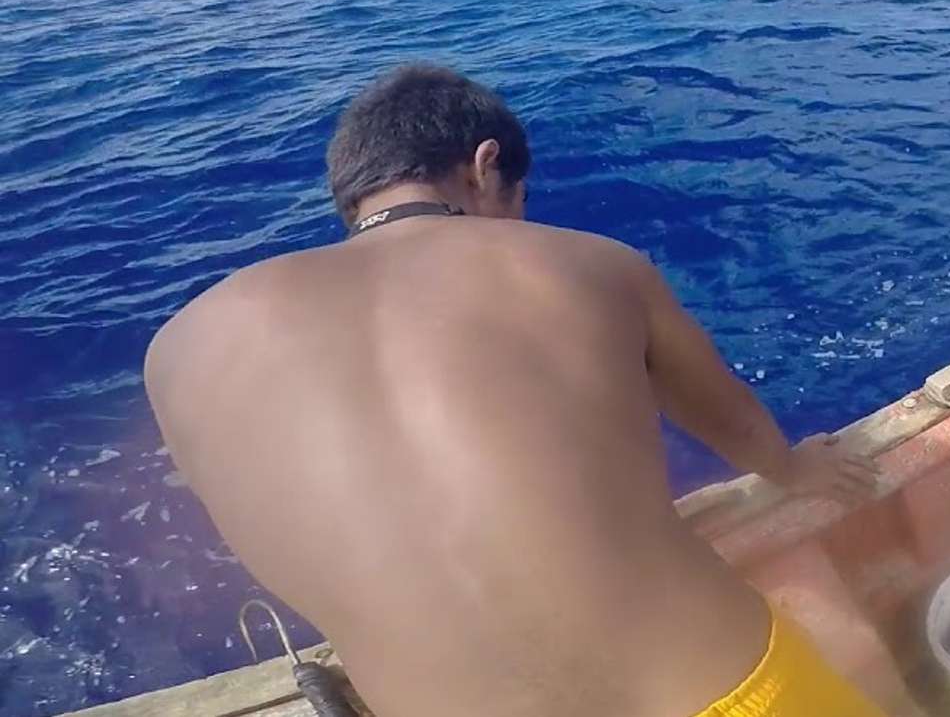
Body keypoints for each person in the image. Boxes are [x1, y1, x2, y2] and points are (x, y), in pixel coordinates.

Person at [145, 65, 888, 717]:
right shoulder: (589, 264)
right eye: (518, 199)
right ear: (485, 164)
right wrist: (794, 469)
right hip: (723, 694)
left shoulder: (179, 351)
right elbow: (729, 419)